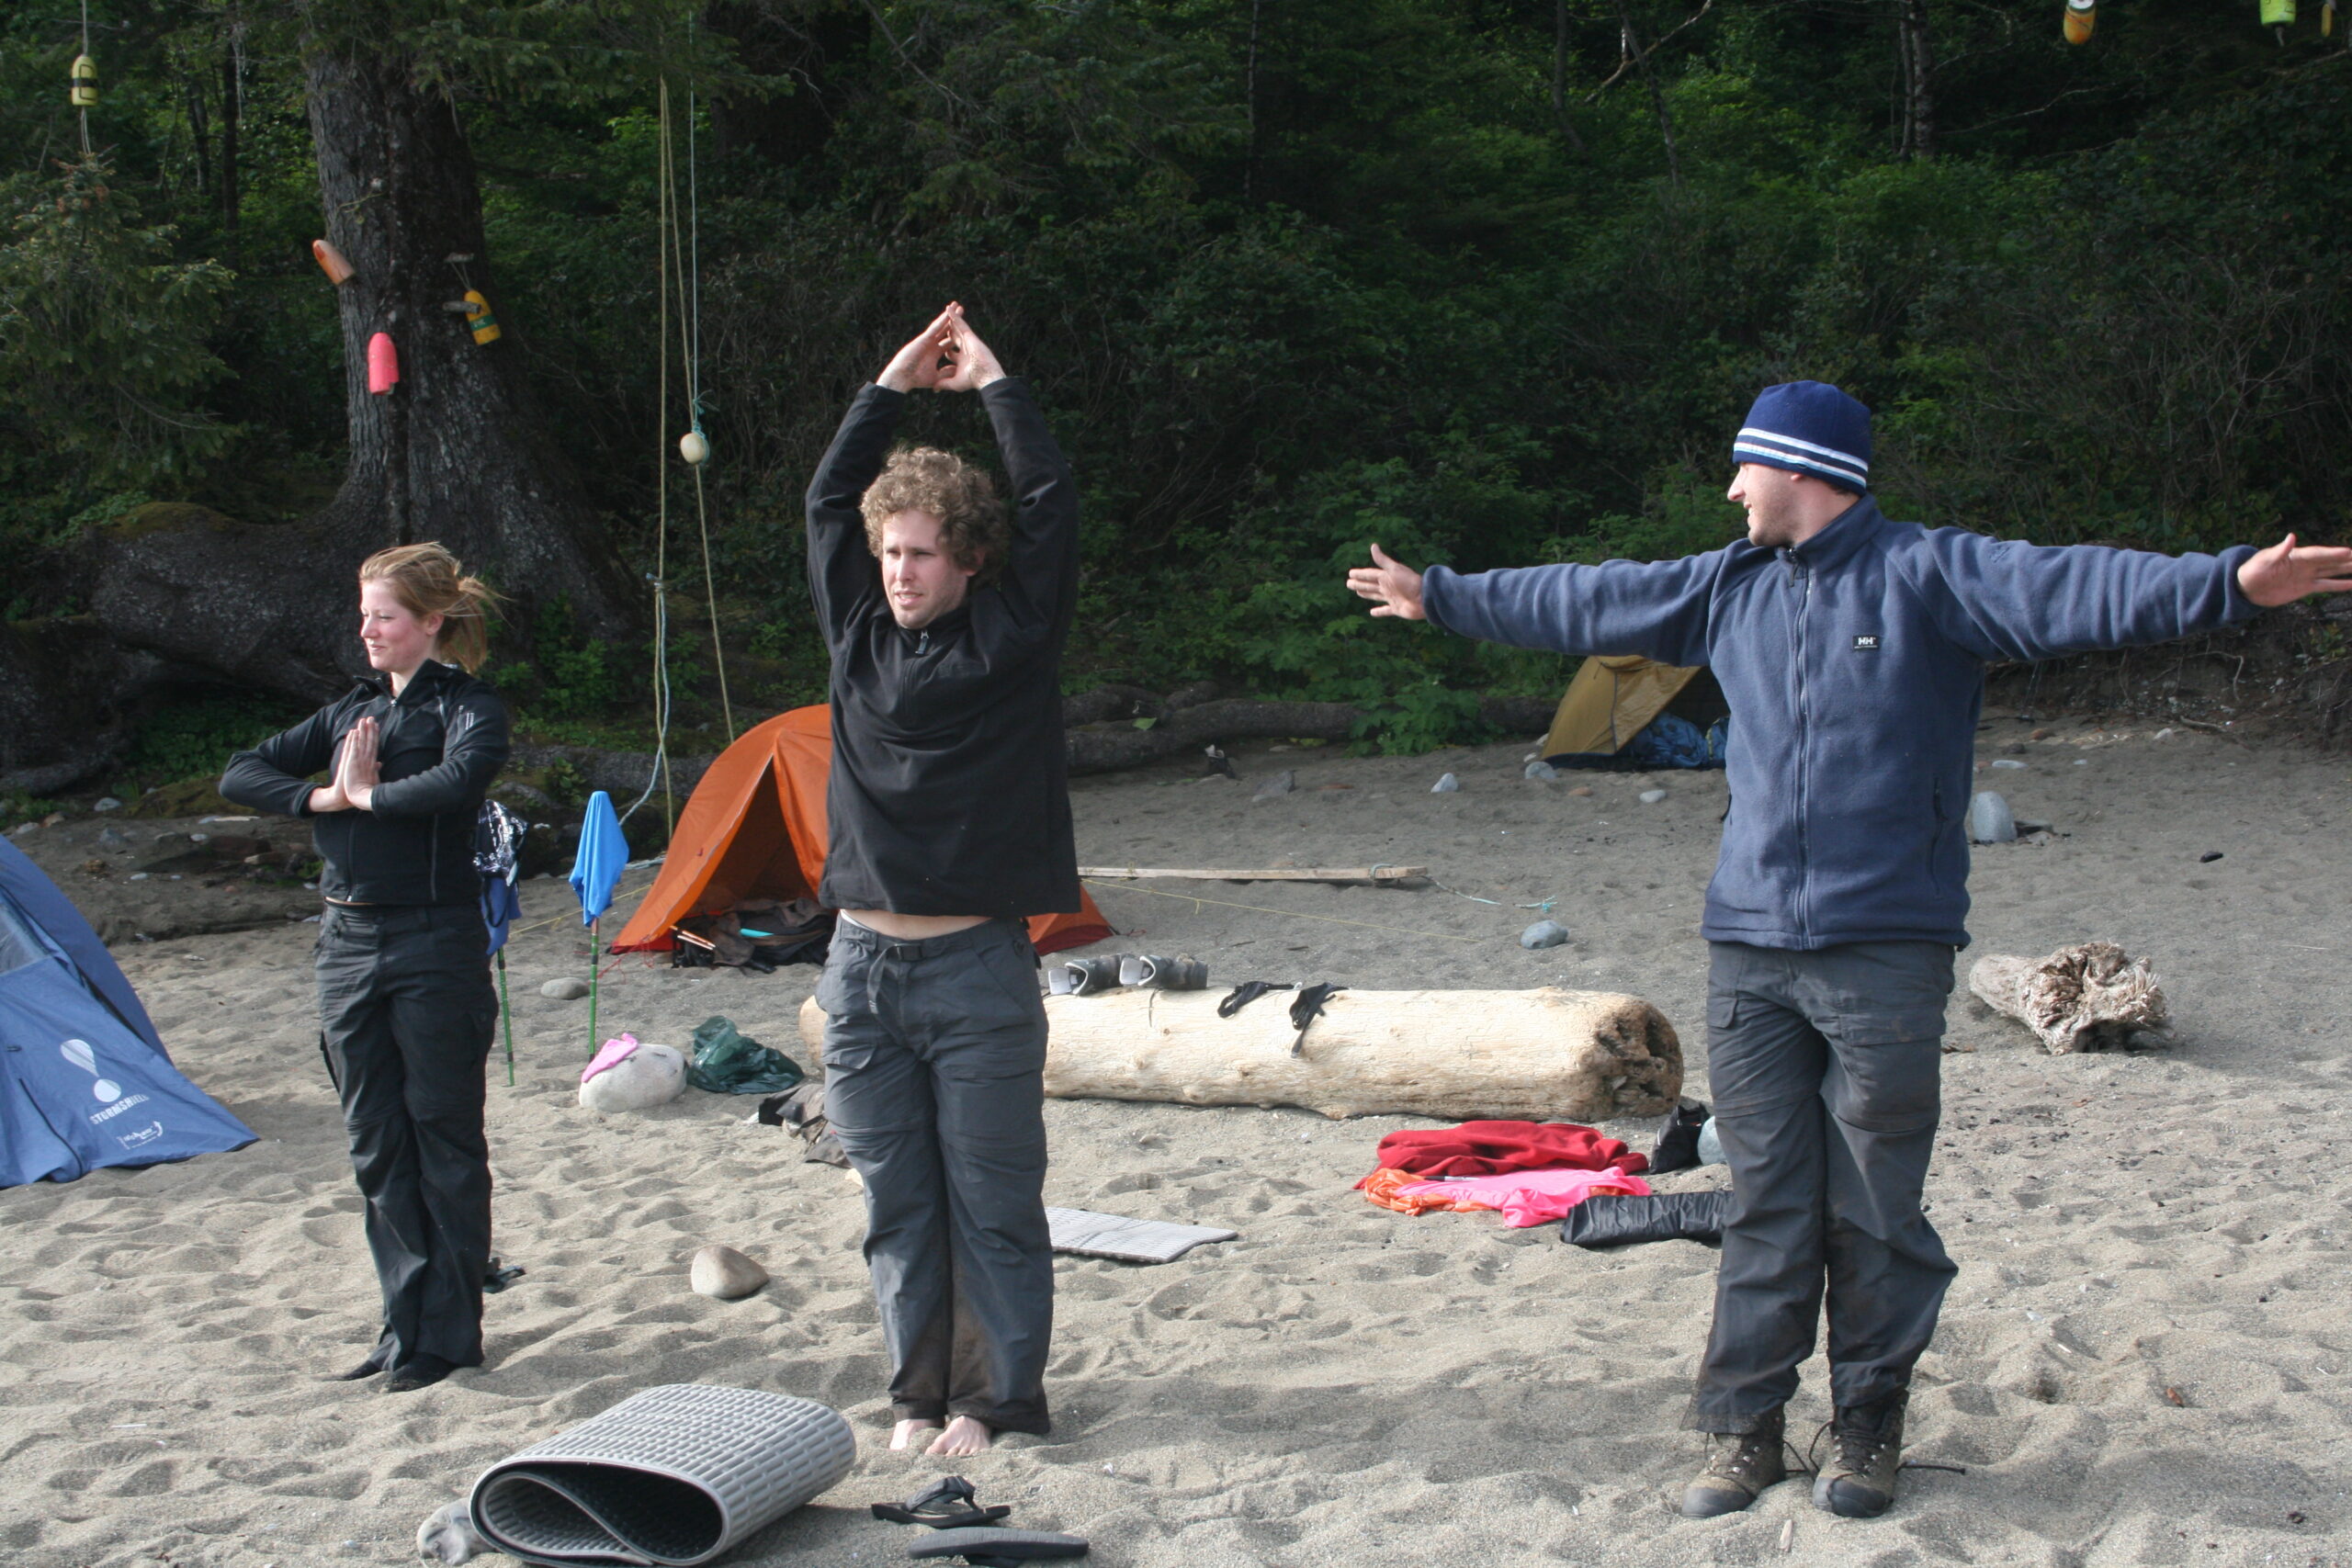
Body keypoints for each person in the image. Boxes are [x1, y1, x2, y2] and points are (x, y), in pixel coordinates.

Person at [1345, 381, 2352, 1519]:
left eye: (1744, 469)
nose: (1729, 490)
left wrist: (2227, 582)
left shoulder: (1930, 575)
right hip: (1750, 951)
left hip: (1885, 950)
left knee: (1876, 1205)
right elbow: (1593, 599)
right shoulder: (1728, 586)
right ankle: (1743, 1430)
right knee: (1766, 1196)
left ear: (1801, 469)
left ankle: (1867, 1424)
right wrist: (1444, 596)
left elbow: (2074, 585)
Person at [804, 303, 1081, 1458]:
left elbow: (1054, 509)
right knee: (896, 1211)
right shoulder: (858, 630)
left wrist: (994, 387)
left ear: (966, 557)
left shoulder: (1012, 638)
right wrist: (886, 386)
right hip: (858, 974)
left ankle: (998, 1401)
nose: (899, 571)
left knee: (994, 1211)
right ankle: (919, 1396)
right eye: (888, 554)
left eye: (919, 552)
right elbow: (828, 502)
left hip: (975, 968)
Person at [220, 543, 510, 1393]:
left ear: (430, 622)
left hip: (434, 941)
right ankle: (401, 1324)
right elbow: (243, 772)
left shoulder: (469, 704)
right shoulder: (350, 710)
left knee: (442, 1137)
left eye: (385, 615)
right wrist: (321, 796)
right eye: (364, 613)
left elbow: (461, 781)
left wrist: (369, 797)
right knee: (376, 1142)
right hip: (345, 943)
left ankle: (449, 1336)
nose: (368, 630)